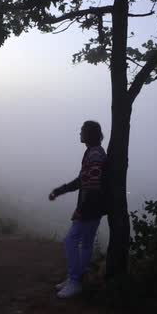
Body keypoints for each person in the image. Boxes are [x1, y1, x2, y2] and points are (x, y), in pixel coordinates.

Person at [49, 120, 107, 298]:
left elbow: (93, 186)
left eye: (82, 131)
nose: (79, 133)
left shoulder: (95, 154)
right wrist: (59, 191)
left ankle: (75, 281)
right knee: (86, 243)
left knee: (71, 240)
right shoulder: (93, 153)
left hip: (91, 207)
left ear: (90, 134)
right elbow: (82, 181)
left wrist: (81, 209)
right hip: (94, 207)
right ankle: (77, 279)